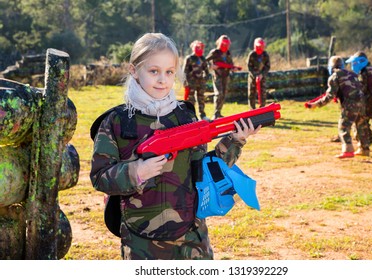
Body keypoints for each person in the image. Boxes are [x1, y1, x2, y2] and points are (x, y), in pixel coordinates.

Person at [89, 33, 260, 260]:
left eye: (169, 72)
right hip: (140, 243)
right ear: (133, 70)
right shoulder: (118, 122)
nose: (163, 80)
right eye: (154, 71)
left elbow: (206, 171)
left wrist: (235, 140)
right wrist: (137, 171)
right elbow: (100, 177)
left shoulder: (185, 117)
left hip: (191, 240)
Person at [306, 56, 370, 158]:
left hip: (350, 104)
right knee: (360, 125)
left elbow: (329, 96)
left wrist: (316, 104)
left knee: (343, 126)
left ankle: (348, 150)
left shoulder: (334, 77)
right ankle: (364, 149)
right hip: (362, 102)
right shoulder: (353, 74)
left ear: (330, 67)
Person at [346, 51, 372, 150]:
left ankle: (370, 139)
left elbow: (362, 88)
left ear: (361, 62)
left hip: (370, 100)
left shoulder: (364, 72)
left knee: (362, 119)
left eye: (354, 63)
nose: (353, 65)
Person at [206, 35, 241, 120]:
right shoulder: (215, 52)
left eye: (227, 44)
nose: (225, 46)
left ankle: (219, 112)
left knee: (224, 94)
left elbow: (230, 64)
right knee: (219, 93)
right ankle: (215, 114)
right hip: (217, 76)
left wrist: (234, 68)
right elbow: (205, 61)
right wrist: (211, 65)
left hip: (226, 76)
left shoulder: (228, 53)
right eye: (223, 44)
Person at [182, 40, 210, 120]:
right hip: (191, 83)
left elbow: (206, 70)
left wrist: (205, 79)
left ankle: (203, 115)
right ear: (193, 48)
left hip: (201, 82)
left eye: (201, 47)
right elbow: (185, 71)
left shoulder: (203, 58)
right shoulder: (189, 58)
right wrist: (185, 82)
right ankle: (191, 116)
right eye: (197, 47)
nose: (199, 49)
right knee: (191, 100)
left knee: (201, 99)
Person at [246, 37, 271, 109]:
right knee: (251, 93)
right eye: (258, 46)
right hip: (252, 77)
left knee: (263, 93)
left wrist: (262, 75)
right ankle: (252, 109)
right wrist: (255, 75)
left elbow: (267, 66)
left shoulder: (265, 55)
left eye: (261, 46)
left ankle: (262, 108)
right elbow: (249, 67)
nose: (260, 48)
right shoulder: (252, 55)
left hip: (262, 77)